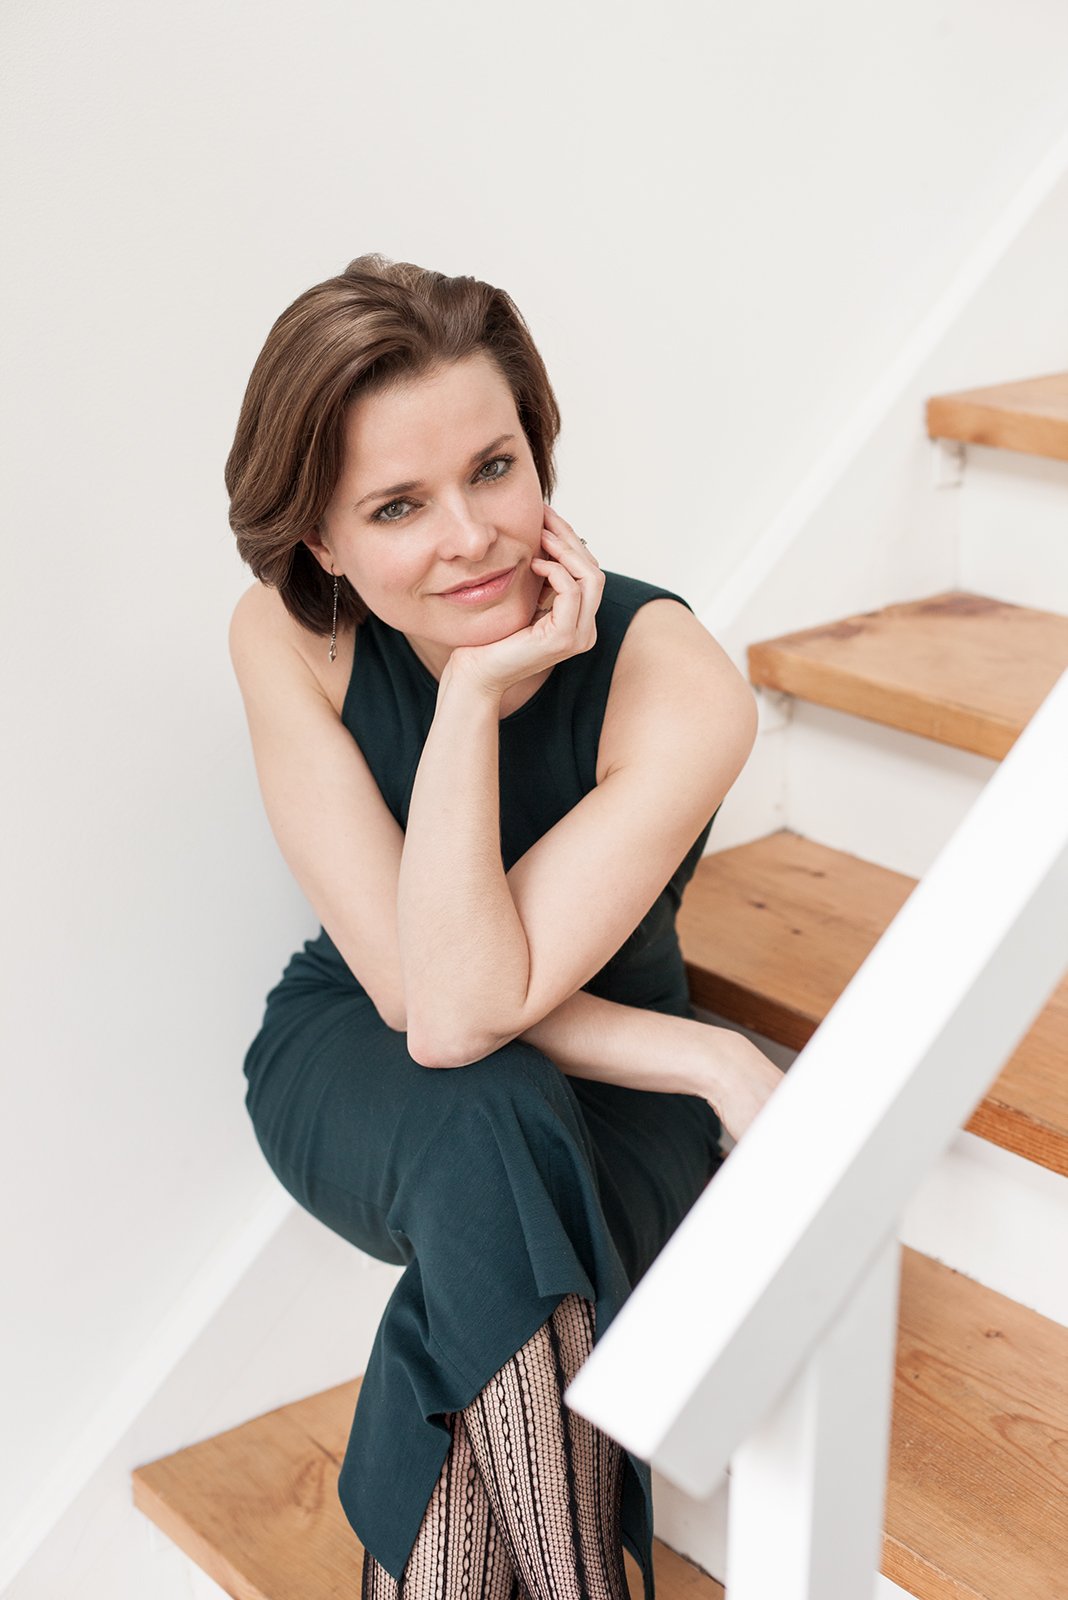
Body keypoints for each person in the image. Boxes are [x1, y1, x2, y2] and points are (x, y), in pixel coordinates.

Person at [225, 252, 784, 1600]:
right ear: (323, 543)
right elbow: (437, 1006)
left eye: (494, 469)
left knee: (496, 1168)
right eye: (399, 505)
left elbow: (482, 1002)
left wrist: (475, 692)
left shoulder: (673, 677)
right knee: (480, 1108)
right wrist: (473, 703)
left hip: (601, 1103)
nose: (470, 536)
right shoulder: (286, 637)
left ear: (540, 456)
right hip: (359, 1042)